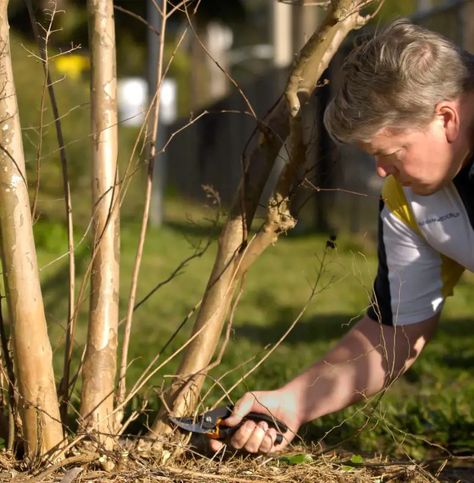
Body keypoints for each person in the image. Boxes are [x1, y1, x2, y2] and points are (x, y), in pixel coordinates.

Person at [210, 19, 474, 454]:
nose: (382, 171)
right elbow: (394, 334)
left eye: (391, 153)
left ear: (446, 117)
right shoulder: (407, 198)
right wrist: (293, 401)